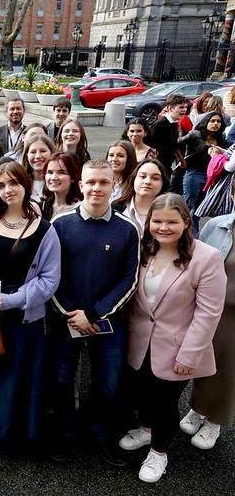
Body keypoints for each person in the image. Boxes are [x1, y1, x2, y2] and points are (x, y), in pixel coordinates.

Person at [118, 194, 225, 483]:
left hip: (178, 345)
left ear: (186, 223)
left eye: (172, 222)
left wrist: (189, 355)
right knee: (142, 393)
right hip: (140, 340)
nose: (163, 227)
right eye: (157, 221)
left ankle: (159, 453)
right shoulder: (145, 250)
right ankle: (145, 430)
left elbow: (208, 313)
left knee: (164, 403)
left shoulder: (206, 257)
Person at [0, 161, 61, 451]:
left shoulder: (45, 230)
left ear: (25, 185)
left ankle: (6, 434)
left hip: (22, 319)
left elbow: (49, 280)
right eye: (1, 185)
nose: (7, 190)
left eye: (13, 183)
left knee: (12, 379)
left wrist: (9, 301)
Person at [49, 159, 140, 467]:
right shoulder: (60, 225)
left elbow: (130, 278)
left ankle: (99, 433)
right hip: (67, 319)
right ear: (81, 185)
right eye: (91, 182)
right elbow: (51, 275)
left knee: (107, 382)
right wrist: (72, 313)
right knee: (62, 379)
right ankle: (65, 432)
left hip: (107, 322)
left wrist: (95, 314)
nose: (97, 188)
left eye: (104, 182)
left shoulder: (127, 229)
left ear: (113, 185)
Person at [185, 190, 235, 451]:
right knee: (205, 362)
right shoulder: (217, 225)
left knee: (229, 370)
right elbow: (197, 262)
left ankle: (215, 420)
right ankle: (197, 409)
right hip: (209, 309)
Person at [177, 112, 229, 233]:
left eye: (218, 121)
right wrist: (181, 159)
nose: (215, 124)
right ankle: (186, 234)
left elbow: (227, 154)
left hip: (211, 178)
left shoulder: (221, 138)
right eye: (212, 121)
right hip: (193, 174)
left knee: (200, 208)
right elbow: (176, 144)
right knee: (189, 206)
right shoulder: (196, 135)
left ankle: (194, 234)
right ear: (206, 122)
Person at [113, 159, 171, 236]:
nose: (147, 182)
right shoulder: (116, 209)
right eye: (143, 176)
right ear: (133, 179)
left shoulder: (170, 211)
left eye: (155, 178)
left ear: (163, 183)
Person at [146, 93, 188, 173]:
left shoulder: (174, 122)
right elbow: (151, 145)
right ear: (170, 108)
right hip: (158, 165)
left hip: (167, 164)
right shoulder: (161, 123)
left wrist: (181, 158)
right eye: (181, 107)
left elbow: (173, 143)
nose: (184, 110)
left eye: (185, 107)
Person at [41, 152, 82, 221]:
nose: (53, 178)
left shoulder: (81, 209)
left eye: (61, 172)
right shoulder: (43, 206)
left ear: (73, 178)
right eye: (50, 172)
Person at [21, 134, 56, 204]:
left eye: (43, 151)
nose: (38, 156)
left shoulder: (58, 182)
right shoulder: (20, 183)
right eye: (33, 152)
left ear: (51, 153)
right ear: (26, 155)